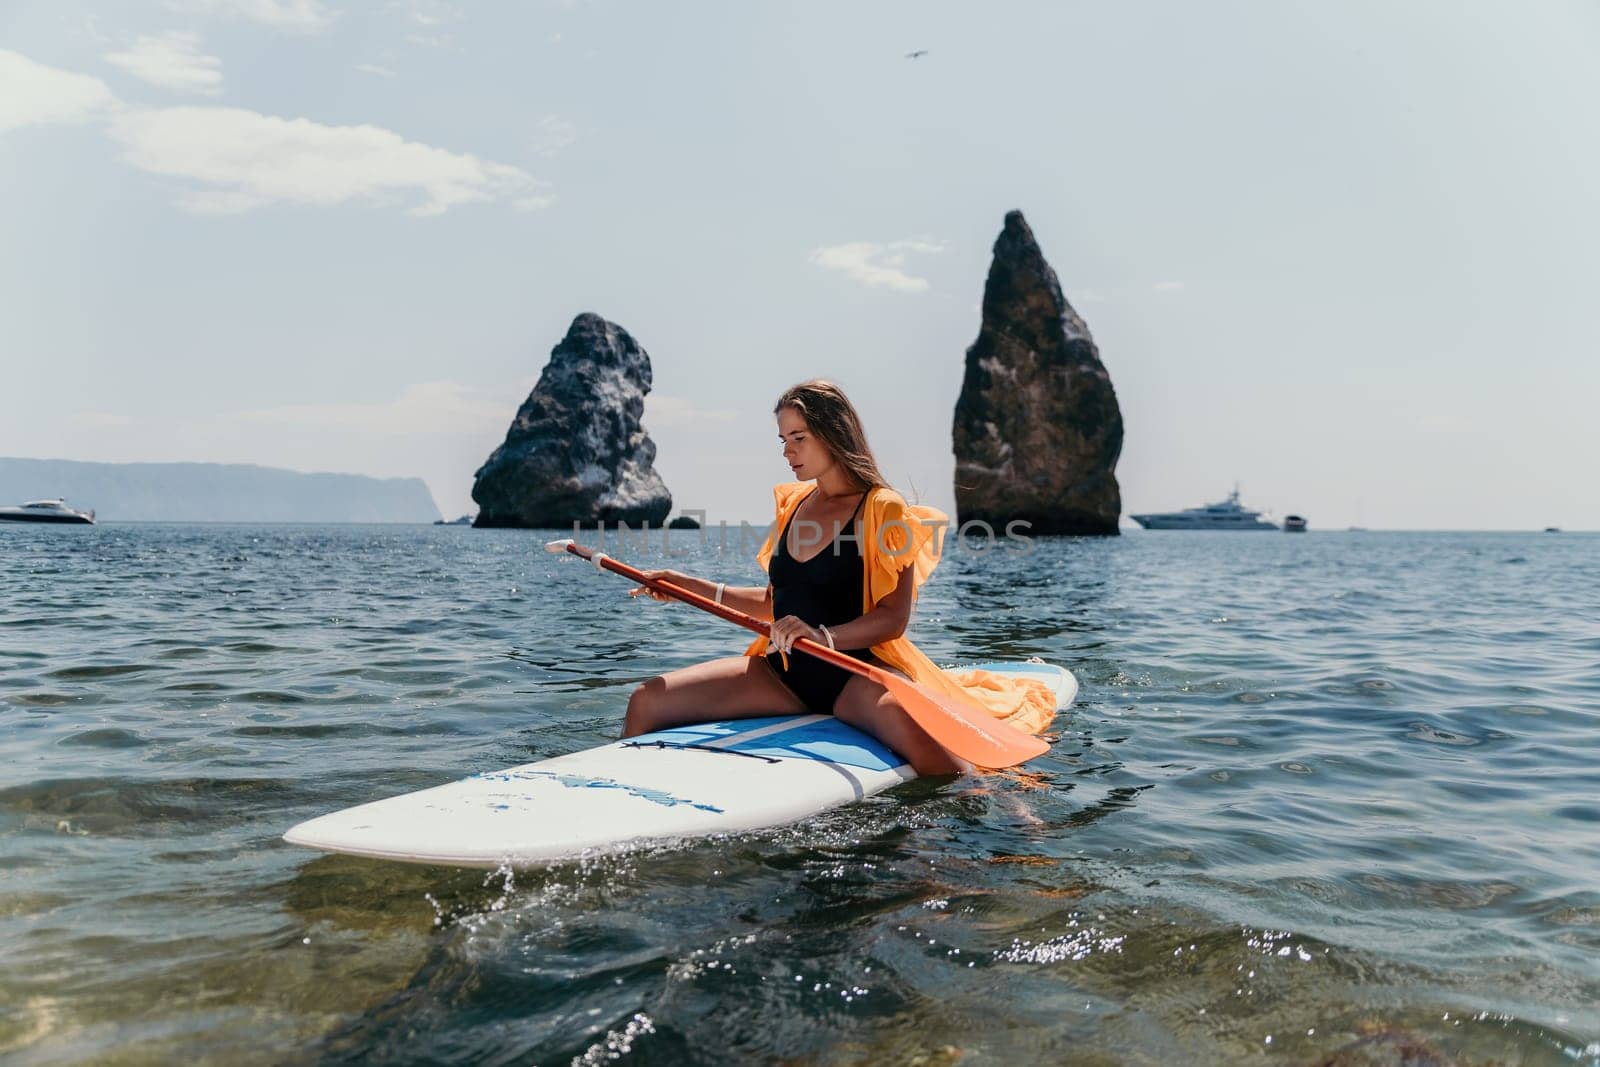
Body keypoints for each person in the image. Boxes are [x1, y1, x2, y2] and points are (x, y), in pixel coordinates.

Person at [622, 380, 1054, 775]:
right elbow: (777, 604)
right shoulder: (794, 506)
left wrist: (822, 636)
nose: (788, 452)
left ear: (832, 434)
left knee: (949, 765)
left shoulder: (883, 510)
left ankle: (989, 820)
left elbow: (892, 619)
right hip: (782, 676)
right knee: (646, 700)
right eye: (783, 440)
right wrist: (685, 586)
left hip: (856, 679)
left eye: (798, 438)